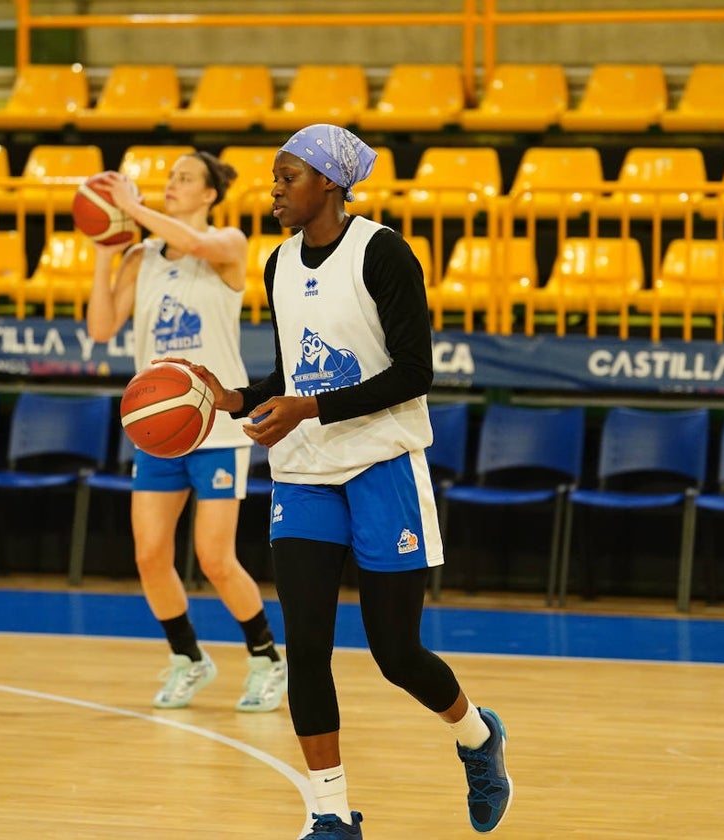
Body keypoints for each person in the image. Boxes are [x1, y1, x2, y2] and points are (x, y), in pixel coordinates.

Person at [181, 125, 513, 838]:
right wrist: (233, 395)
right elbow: (291, 377)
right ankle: (332, 816)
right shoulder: (277, 264)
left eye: (288, 177)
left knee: (396, 652)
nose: (275, 191)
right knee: (307, 645)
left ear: (329, 184)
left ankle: (479, 738)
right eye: (275, 178)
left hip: (380, 462)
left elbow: (414, 372)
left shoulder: (383, 253)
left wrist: (311, 406)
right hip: (303, 473)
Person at [85, 151, 287, 714]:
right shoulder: (141, 257)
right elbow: (102, 328)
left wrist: (130, 208)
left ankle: (268, 658)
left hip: (216, 425)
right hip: (157, 428)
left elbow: (195, 246)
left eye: (184, 179)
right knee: (150, 553)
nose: (171, 185)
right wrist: (106, 253)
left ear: (209, 195)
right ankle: (187, 657)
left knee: (214, 557)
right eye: (168, 178)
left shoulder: (229, 242)